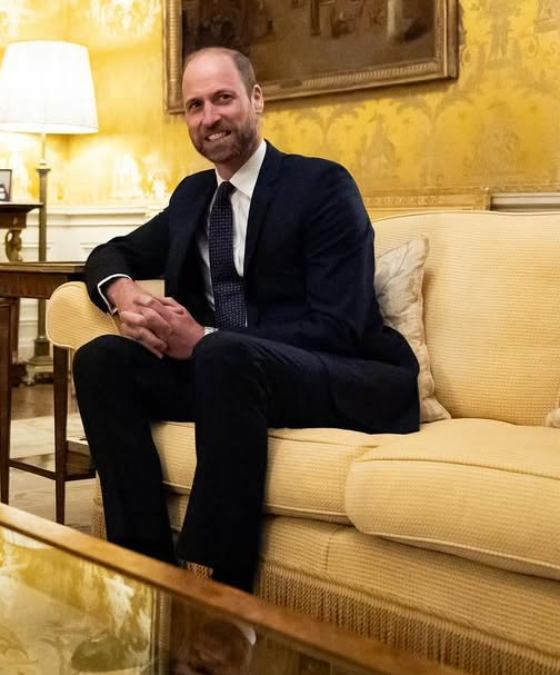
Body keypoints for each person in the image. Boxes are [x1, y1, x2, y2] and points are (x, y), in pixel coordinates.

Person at [74, 47, 419, 594]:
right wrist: (120, 294)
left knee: (220, 352)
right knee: (101, 360)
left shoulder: (322, 186)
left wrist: (205, 337)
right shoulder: (193, 197)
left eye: (223, 98)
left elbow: (342, 325)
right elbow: (109, 252)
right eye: (194, 105)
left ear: (256, 100)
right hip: (229, 378)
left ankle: (215, 592)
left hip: (338, 372)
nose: (209, 117)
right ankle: (142, 571)